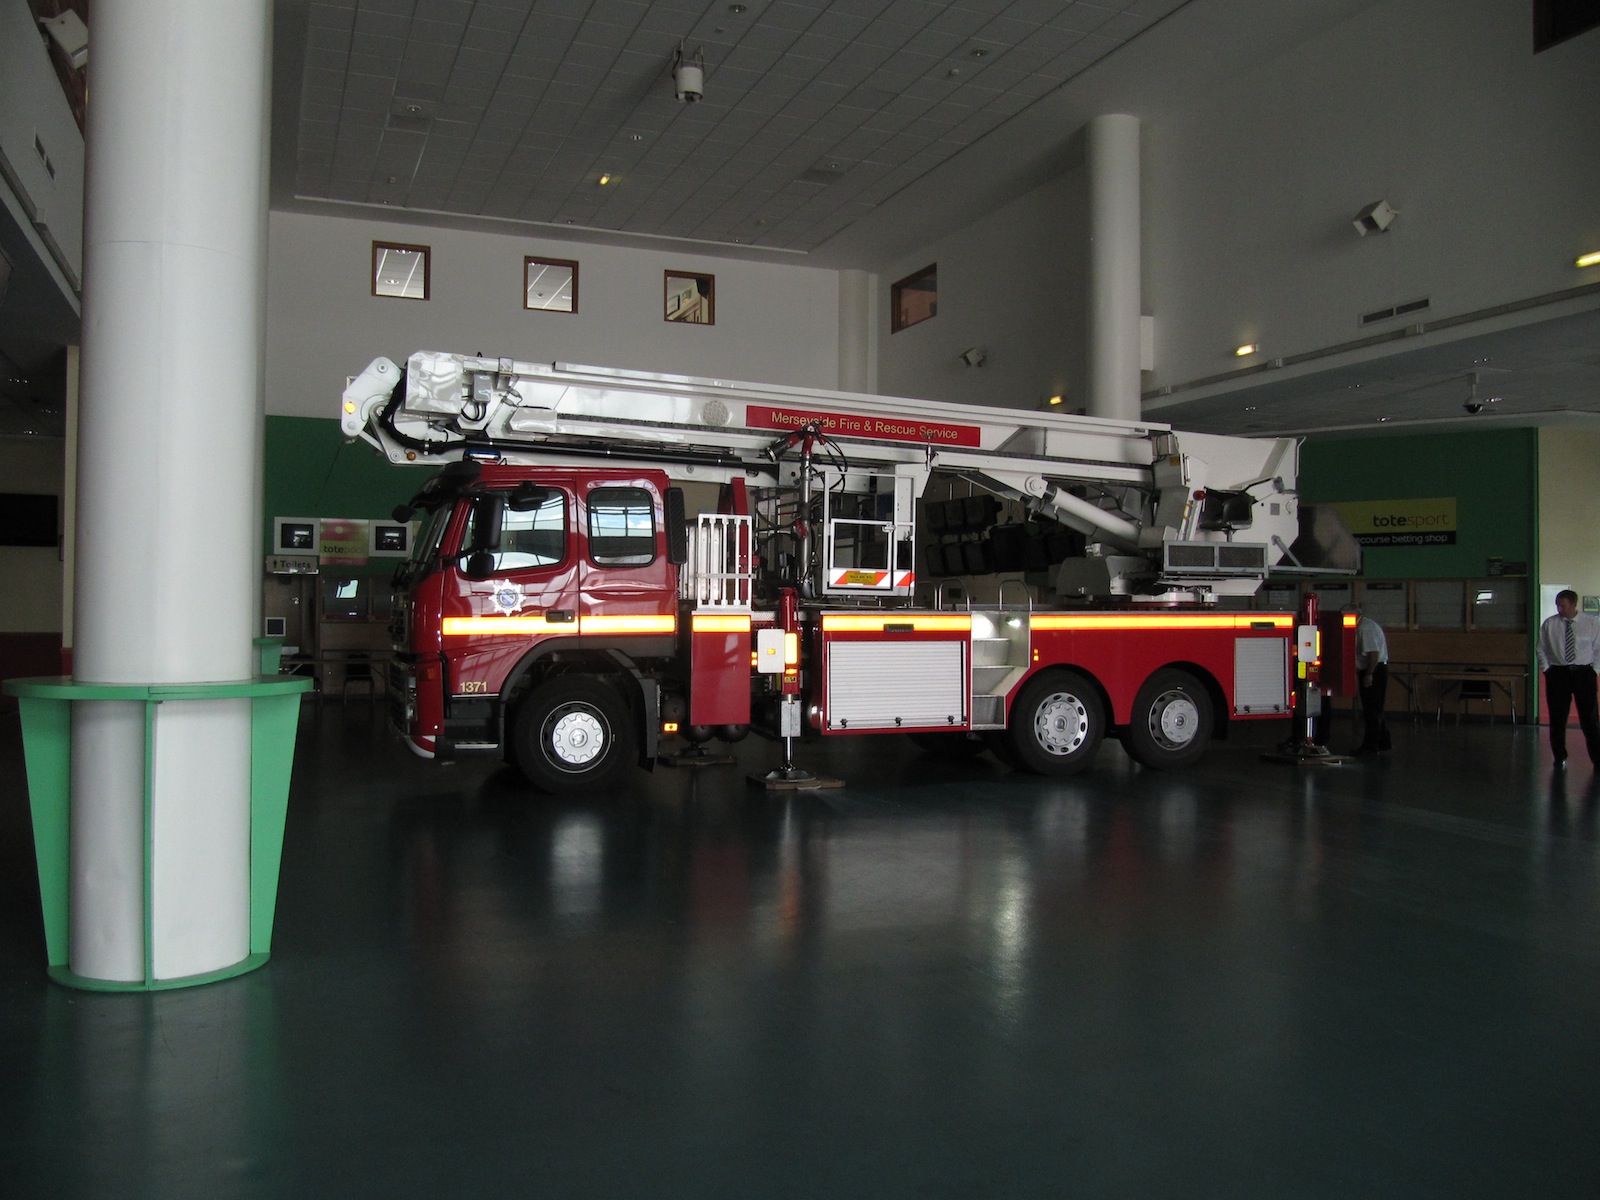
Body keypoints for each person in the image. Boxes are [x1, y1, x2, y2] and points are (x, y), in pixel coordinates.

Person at [1537, 589, 1600, 770]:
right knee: (1557, 717)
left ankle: (1597, 757)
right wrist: (1547, 669)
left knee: (1589, 717)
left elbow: (1598, 649)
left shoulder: (1591, 623)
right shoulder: (1550, 624)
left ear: (1573, 605)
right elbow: (1541, 648)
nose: (1560, 608)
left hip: (1584, 673)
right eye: (1558, 605)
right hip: (1558, 673)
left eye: (1563, 605)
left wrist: (1594, 670)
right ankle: (1559, 756)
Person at [1352, 606, 1391, 754]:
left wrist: (1369, 674)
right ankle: (1383, 741)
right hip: (1375, 668)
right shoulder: (1366, 625)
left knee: (1371, 709)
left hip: (1373, 669)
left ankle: (1370, 746)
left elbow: (1373, 653)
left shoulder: (1365, 628)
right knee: (1376, 708)